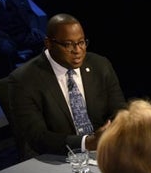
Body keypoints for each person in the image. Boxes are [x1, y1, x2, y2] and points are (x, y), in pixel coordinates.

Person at [7, 13, 127, 155]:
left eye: (81, 42)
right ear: (49, 44)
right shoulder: (23, 80)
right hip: (59, 156)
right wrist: (88, 143)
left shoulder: (100, 65)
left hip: (105, 149)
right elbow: (37, 137)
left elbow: (119, 111)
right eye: (68, 44)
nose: (77, 51)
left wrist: (112, 132)